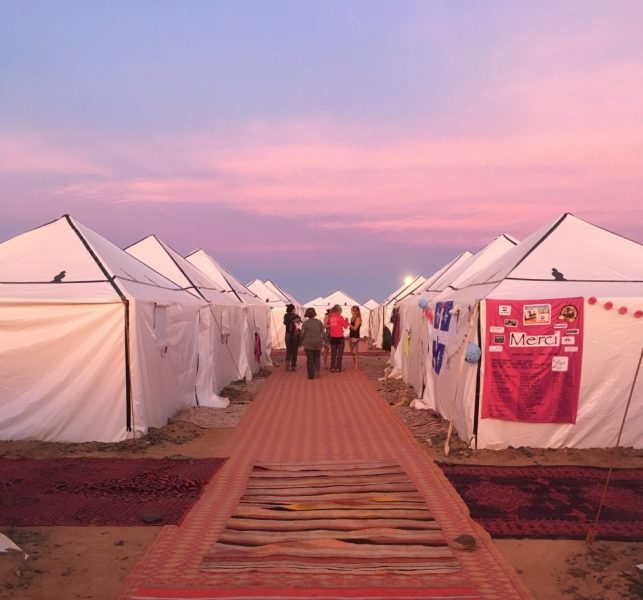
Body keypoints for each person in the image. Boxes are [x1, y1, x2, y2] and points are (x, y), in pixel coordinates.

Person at [299, 307, 324, 379]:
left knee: (310, 359)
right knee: (317, 358)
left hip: (308, 343)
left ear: (307, 314)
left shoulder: (305, 323)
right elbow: (323, 333)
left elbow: (302, 333)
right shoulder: (319, 322)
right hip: (318, 342)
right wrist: (326, 341)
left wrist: (300, 341)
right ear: (314, 313)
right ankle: (317, 372)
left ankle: (311, 375)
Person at [328, 304, 348, 372]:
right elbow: (345, 326)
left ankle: (332, 368)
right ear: (338, 311)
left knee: (333, 354)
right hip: (340, 338)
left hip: (333, 337)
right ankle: (338, 368)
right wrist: (346, 321)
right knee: (339, 355)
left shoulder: (330, 317)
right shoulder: (340, 317)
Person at [283, 304, 301, 371]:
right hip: (295, 334)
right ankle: (293, 366)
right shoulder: (296, 316)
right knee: (294, 350)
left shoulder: (286, 315)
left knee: (288, 350)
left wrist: (290, 321)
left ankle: (287, 365)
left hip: (287, 334)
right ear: (293, 309)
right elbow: (299, 323)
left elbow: (285, 323)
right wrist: (294, 321)